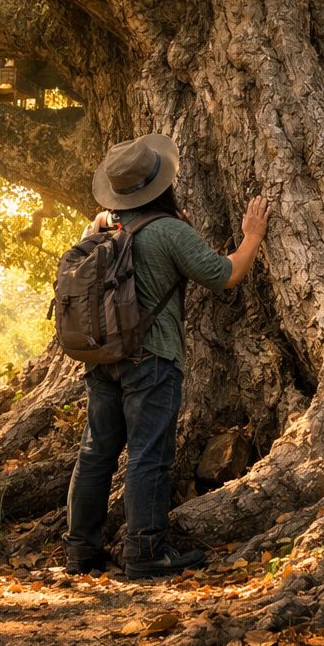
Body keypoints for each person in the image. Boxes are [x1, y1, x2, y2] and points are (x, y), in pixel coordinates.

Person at [63, 133, 269, 580]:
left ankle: (81, 551)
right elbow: (225, 274)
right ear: (161, 185)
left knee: (96, 453)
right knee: (148, 455)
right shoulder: (170, 231)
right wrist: (252, 235)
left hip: (101, 359)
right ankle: (145, 552)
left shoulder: (100, 229)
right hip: (152, 359)